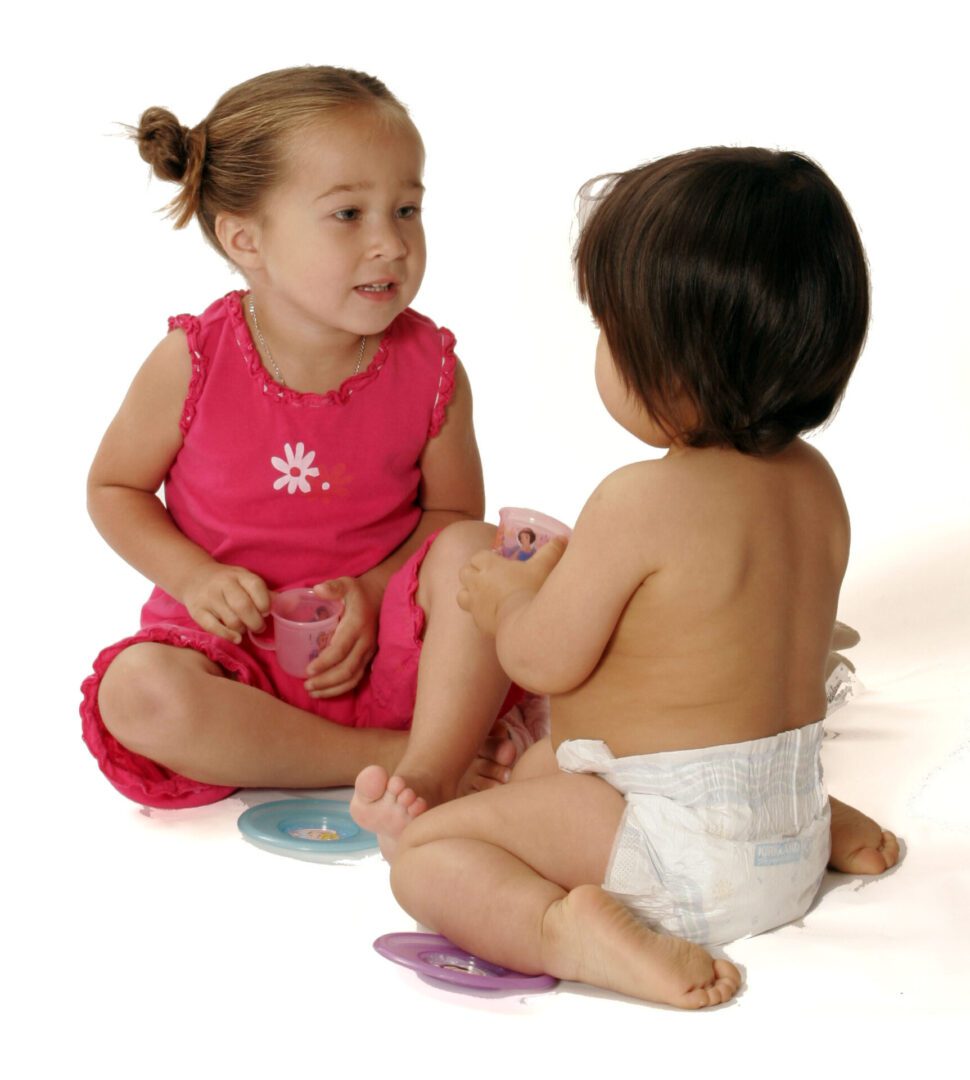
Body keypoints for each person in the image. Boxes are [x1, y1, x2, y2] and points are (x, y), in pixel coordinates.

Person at [351, 147, 900, 1008]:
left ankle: (565, 929)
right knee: (539, 776)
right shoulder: (814, 487)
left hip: (673, 849)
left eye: (611, 331)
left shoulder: (640, 500)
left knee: (423, 857)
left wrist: (509, 598)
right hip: (783, 830)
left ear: (672, 370)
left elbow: (541, 661)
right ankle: (818, 830)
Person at [80, 66, 522, 810]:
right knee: (138, 695)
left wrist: (376, 592)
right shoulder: (193, 361)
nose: (390, 243)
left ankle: (427, 746)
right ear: (245, 239)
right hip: (230, 662)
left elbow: (453, 523)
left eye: (407, 209)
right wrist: (194, 578)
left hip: (378, 651)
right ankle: (396, 759)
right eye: (349, 214)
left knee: (480, 554)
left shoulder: (432, 368)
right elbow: (113, 488)